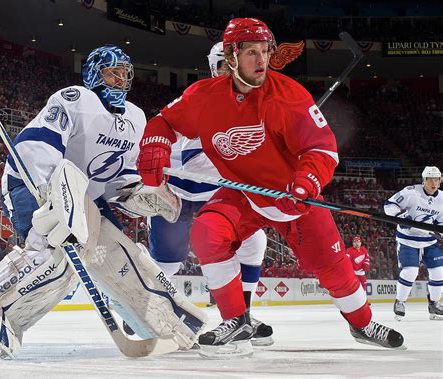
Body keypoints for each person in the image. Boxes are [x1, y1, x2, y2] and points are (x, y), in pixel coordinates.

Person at [134, 18, 404, 357]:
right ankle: (237, 320)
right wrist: (156, 143)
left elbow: (322, 149)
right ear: (231, 56)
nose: (261, 61)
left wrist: (307, 178)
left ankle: (362, 323)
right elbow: (165, 120)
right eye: (251, 52)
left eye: (264, 52)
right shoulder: (204, 96)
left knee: (335, 270)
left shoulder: (289, 95)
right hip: (244, 193)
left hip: (291, 196)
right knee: (206, 231)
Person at [0, 45, 205, 359]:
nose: (118, 80)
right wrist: (54, 203)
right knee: (55, 257)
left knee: (123, 260)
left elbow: (119, 179)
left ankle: (169, 328)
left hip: (86, 196)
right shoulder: (74, 99)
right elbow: (38, 147)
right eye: (111, 72)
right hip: (32, 181)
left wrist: (142, 194)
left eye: (124, 74)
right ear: (94, 74)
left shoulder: (135, 117)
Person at [147, 41, 273, 346]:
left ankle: (242, 316)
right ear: (214, 67)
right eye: (221, 65)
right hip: (176, 194)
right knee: (167, 261)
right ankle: (145, 310)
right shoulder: (201, 98)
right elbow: (198, 157)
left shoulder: (256, 105)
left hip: (214, 196)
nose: (228, 73)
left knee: (254, 240)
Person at [384, 166, 443, 321]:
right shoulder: (411, 192)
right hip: (408, 240)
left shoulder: (442, 198)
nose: (433, 182)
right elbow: (388, 205)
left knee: (439, 272)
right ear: (424, 180)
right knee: (410, 272)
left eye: (436, 179)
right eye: (430, 179)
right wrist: (400, 217)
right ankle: (400, 302)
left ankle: (434, 304)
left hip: (429, 241)